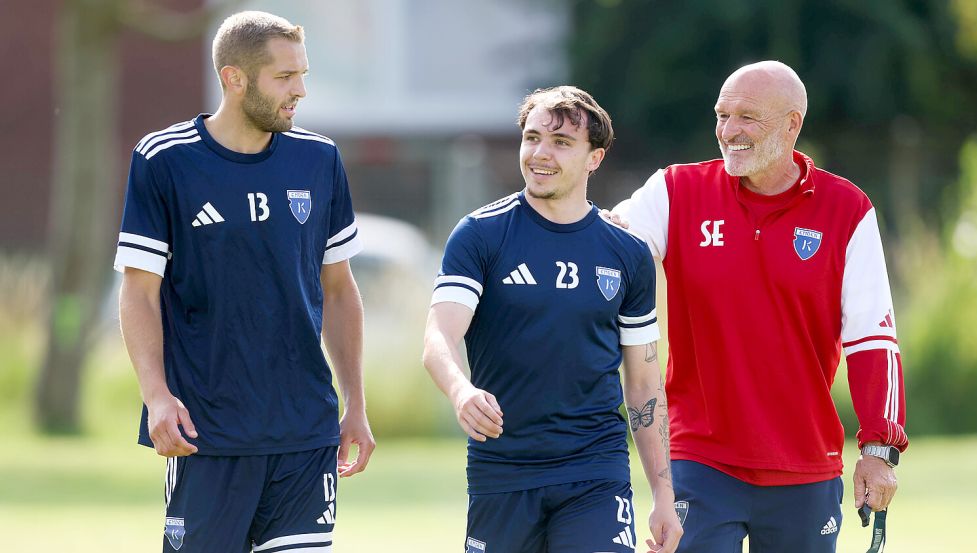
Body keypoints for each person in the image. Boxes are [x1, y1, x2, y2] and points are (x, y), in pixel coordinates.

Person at [612, 61, 907, 553]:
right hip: (698, 458)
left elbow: (873, 340)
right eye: (722, 116)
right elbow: (613, 245)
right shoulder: (676, 190)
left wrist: (879, 448)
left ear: (793, 123)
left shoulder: (848, 210)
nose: (729, 131)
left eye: (747, 117)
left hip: (805, 463)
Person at [114, 11, 374, 553]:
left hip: (305, 432)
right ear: (235, 78)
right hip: (207, 435)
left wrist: (355, 403)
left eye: (302, 75)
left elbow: (339, 289)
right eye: (285, 78)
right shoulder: (165, 160)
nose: (300, 90)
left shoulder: (319, 159)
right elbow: (139, 291)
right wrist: (157, 396)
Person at [422, 86, 683, 553]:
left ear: (594, 158)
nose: (541, 153)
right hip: (502, 470)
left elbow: (643, 383)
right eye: (532, 137)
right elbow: (439, 334)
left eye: (561, 142)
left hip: (595, 471)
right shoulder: (481, 234)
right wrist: (460, 390)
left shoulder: (627, 254)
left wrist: (664, 493)